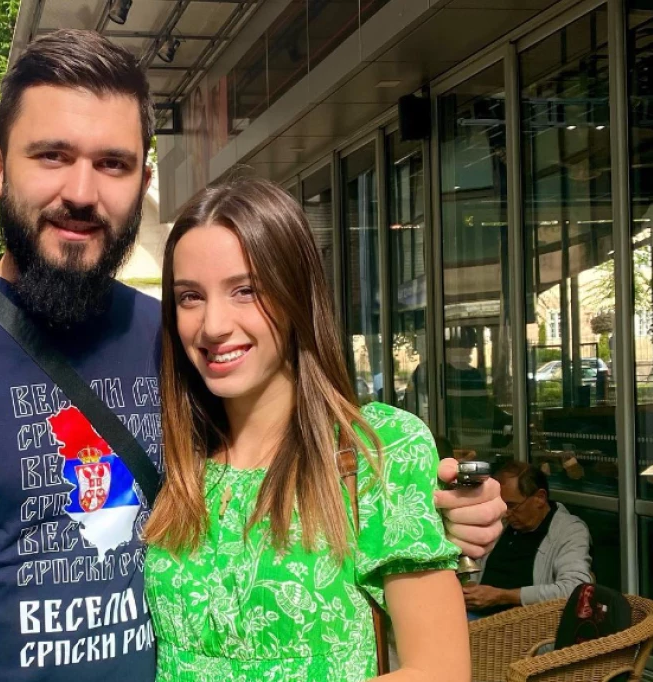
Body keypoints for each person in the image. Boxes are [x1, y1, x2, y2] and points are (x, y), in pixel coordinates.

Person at [0, 29, 504, 682]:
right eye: (52, 156)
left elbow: (293, 475)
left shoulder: (180, 344)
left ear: (142, 183)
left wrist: (438, 508)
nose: (81, 192)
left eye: (112, 163)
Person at [144, 178, 471, 681]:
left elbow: (440, 671)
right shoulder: (177, 455)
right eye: (190, 296)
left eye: (246, 291)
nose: (213, 325)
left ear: (295, 292)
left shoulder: (378, 449)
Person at [463, 462, 592, 618]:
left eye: (512, 505)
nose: (506, 513)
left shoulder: (568, 530)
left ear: (540, 498)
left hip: (523, 623)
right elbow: (473, 561)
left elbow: (575, 589)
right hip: (473, 613)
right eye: (501, 505)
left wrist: (503, 596)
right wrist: (470, 586)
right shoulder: (503, 522)